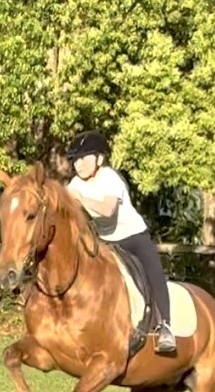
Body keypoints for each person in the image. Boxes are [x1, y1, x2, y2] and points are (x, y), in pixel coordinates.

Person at [65, 130, 176, 354]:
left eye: (84, 158)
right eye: (76, 159)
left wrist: (82, 199)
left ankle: (165, 327)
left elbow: (107, 210)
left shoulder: (109, 177)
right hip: (106, 242)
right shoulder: (74, 184)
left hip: (134, 238)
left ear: (99, 159)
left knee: (154, 275)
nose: (79, 164)